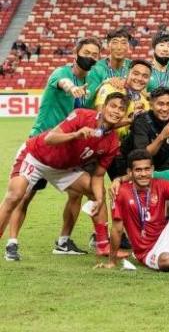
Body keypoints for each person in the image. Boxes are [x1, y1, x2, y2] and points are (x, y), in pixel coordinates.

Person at [4, 37, 102, 261]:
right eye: (87, 52)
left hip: (66, 149)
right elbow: (63, 84)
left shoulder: (91, 80)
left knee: (77, 193)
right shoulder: (61, 74)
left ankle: (63, 242)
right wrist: (73, 89)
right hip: (41, 146)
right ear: (76, 52)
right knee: (24, 195)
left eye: (95, 54)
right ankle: (12, 243)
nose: (91, 57)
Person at [0, 93, 129, 257]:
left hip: (63, 168)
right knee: (15, 196)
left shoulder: (112, 141)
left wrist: (97, 199)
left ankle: (103, 245)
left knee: (97, 193)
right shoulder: (82, 115)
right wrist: (75, 135)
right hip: (35, 156)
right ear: (103, 108)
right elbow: (50, 138)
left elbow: (97, 176)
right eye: (113, 106)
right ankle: (11, 241)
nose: (116, 111)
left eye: (121, 109)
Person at [123, 87, 169, 173]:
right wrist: (162, 136)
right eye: (160, 104)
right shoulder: (141, 121)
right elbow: (143, 156)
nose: (165, 109)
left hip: (160, 164)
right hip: (130, 165)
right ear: (151, 105)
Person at [85, 28, 132, 107]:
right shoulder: (96, 68)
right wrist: (104, 83)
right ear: (107, 46)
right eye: (115, 42)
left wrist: (129, 85)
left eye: (124, 43)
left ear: (129, 46)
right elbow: (87, 101)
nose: (119, 47)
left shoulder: (134, 67)